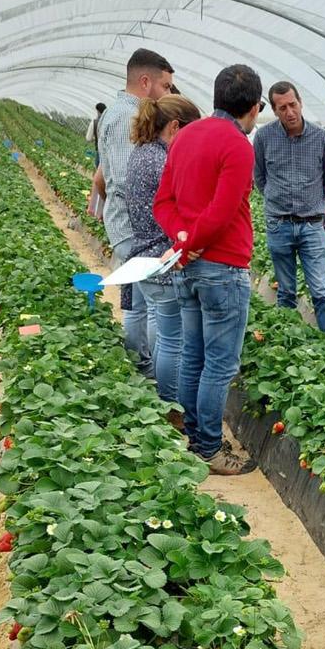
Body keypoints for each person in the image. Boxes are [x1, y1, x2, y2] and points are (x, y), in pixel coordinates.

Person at [153, 63, 263, 476]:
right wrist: (194, 241)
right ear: (253, 108)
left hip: (188, 266)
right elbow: (223, 210)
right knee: (219, 363)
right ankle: (210, 449)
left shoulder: (185, 137)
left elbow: (162, 202)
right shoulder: (238, 146)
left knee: (193, 355)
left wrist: (183, 241)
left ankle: (195, 438)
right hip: (223, 267)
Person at [91, 49, 175, 377]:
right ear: (145, 82)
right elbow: (131, 182)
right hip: (137, 232)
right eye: (165, 86)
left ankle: (141, 369)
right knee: (151, 308)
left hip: (126, 228)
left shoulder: (113, 113)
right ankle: (148, 373)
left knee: (138, 304)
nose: (168, 93)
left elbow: (102, 175)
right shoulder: (129, 117)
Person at [124, 94, 201, 419]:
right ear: (174, 127)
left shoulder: (140, 154)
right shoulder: (162, 161)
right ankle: (173, 409)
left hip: (144, 256)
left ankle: (165, 401)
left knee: (162, 329)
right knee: (173, 340)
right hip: (164, 260)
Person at [253, 81, 325, 333]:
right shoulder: (264, 137)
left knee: (320, 291)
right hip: (279, 224)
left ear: (300, 103)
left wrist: (318, 208)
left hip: (312, 225)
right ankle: (289, 341)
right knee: (286, 291)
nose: (289, 112)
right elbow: (260, 177)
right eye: (282, 108)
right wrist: (274, 197)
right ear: (275, 111)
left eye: (293, 105)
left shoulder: (321, 137)